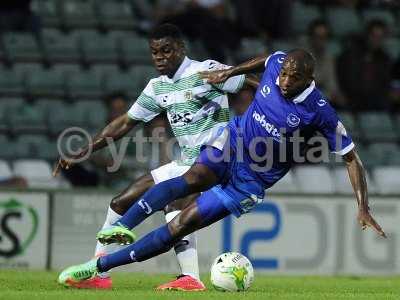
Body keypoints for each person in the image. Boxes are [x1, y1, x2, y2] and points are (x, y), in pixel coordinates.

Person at [57, 49, 386, 288]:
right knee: (193, 176)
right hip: (233, 141)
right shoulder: (277, 63)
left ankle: (97, 265)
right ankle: (124, 226)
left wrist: (363, 206)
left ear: (308, 79)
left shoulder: (321, 112)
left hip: (250, 181)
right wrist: (227, 73)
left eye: (293, 78)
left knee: (179, 228)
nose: (284, 80)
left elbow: (350, 157)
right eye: (283, 73)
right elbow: (264, 59)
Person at [53, 23, 256, 291]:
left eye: (166, 50)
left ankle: (191, 278)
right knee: (120, 202)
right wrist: (85, 150)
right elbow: (125, 123)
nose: (159, 57)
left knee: (175, 207)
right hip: (186, 162)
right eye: (154, 52)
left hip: (216, 160)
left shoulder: (205, 70)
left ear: (181, 49)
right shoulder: (157, 88)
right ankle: (98, 273)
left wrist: (278, 100)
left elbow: (249, 83)